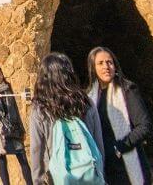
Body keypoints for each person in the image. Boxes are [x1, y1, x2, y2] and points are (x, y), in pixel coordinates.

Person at [29, 52, 103, 184]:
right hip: (89, 175)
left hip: (58, 178)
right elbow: (97, 142)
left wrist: (38, 180)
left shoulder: (40, 109)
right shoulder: (86, 102)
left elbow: (36, 150)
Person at [86, 47, 152, 185]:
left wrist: (120, 148)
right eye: (101, 63)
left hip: (128, 168)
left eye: (109, 62)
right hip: (104, 168)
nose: (106, 67)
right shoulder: (89, 97)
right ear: (93, 68)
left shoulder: (127, 90)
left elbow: (145, 126)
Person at [0, 62, 32, 185]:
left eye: (1, 73)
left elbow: (14, 107)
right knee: (2, 161)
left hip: (14, 127)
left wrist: (22, 128)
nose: (1, 76)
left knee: (22, 158)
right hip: (0, 131)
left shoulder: (7, 87)